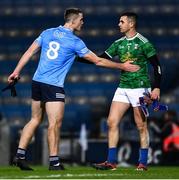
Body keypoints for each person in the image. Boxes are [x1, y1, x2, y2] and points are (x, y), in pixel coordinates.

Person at [8, 8, 140, 171]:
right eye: (81, 19)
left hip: (37, 82)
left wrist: (16, 71)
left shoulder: (48, 32)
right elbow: (98, 61)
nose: (83, 22)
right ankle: (54, 162)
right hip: (53, 85)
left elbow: (29, 52)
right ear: (73, 21)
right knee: (54, 124)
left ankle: (19, 156)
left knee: (34, 120)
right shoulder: (75, 41)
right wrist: (122, 66)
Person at [92, 12, 162, 171]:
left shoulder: (144, 42)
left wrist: (157, 87)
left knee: (141, 125)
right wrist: (79, 56)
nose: (119, 24)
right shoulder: (118, 43)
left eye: (121, 21)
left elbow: (156, 66)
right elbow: (101, 58)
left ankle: (143, 162)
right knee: (111, 122)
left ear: (131, 24)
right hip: (123, 87)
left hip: (140, 87)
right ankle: (111, 162)